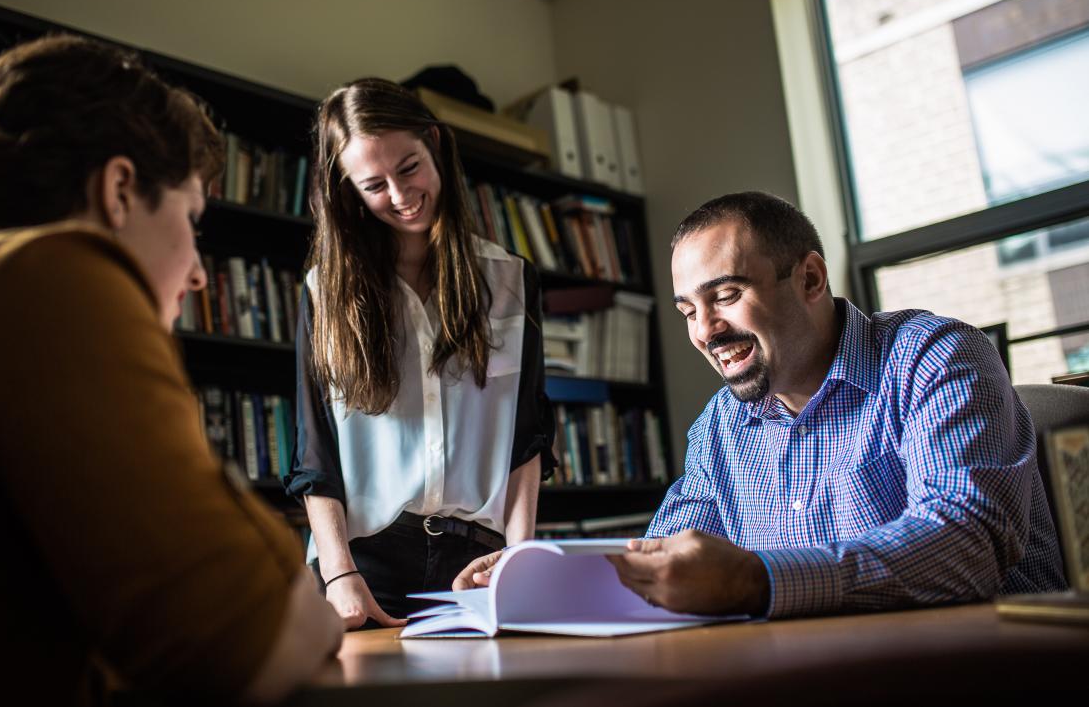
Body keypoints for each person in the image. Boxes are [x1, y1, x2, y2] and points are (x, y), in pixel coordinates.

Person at [0, 35, 342, 705]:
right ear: (118, 189)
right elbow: (247, 650)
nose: (200, 272)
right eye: (192, 218)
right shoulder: (49, 280)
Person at [456, 191, 1066, 617]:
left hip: (979, 667)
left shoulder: (934, 356)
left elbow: (969, 544)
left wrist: (757, 580)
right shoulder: (722, 425)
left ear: (809, 278)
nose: (705, 331)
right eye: (688, 311)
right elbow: (667, 555)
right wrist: (546, 579)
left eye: (725, 295)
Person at [286, 77, 556, 629]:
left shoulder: (510, 280)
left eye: (409, 168)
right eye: (374, 184)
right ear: (347, 190)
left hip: (480, 558)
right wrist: (338, 574)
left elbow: (527, 437)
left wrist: (520, 556)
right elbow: (315, 456)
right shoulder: (324, 293)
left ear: (434, 142)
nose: (400, 195)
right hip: (365, 560)